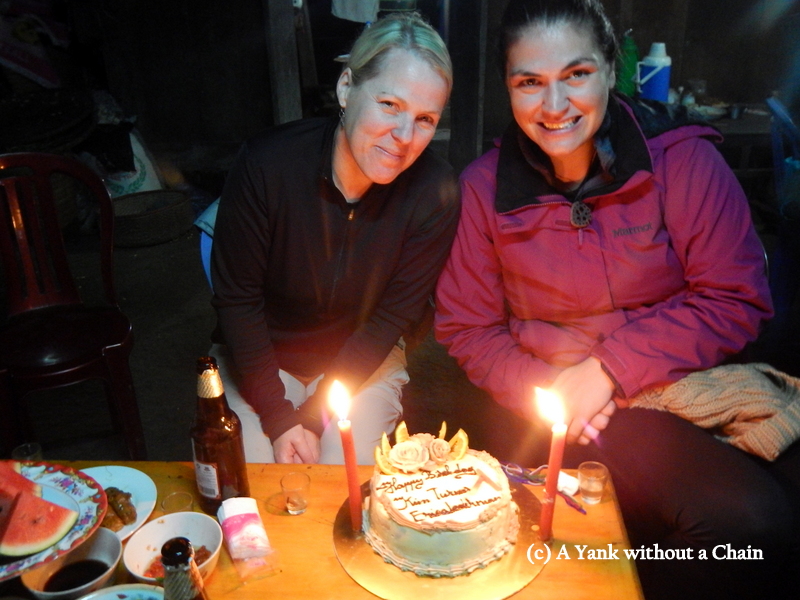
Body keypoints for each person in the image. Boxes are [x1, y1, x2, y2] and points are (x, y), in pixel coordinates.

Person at [434, 1, 799, 598]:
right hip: (567, 407)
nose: (554, 107)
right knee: (745, 522)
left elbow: (735, 295)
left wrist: (609, 367)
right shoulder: (483, 191)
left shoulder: (681, 160)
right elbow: (467, 329)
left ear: (609, 68)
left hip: (681, 380)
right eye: (530, 83)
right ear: (509, 87)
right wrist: (553, 390)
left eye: (575, 75)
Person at [210, 13, 459, 466]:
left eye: (425, 118)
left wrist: (311, 415)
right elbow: (237, 299)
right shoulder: (268, 165)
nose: (404, 137)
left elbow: (388, 320)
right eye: (389, 104)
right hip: (263, 354)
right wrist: (279, 416)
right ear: (347, 88)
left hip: (364, 360)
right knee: (251, 482)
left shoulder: (435, 194)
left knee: (345, 485)